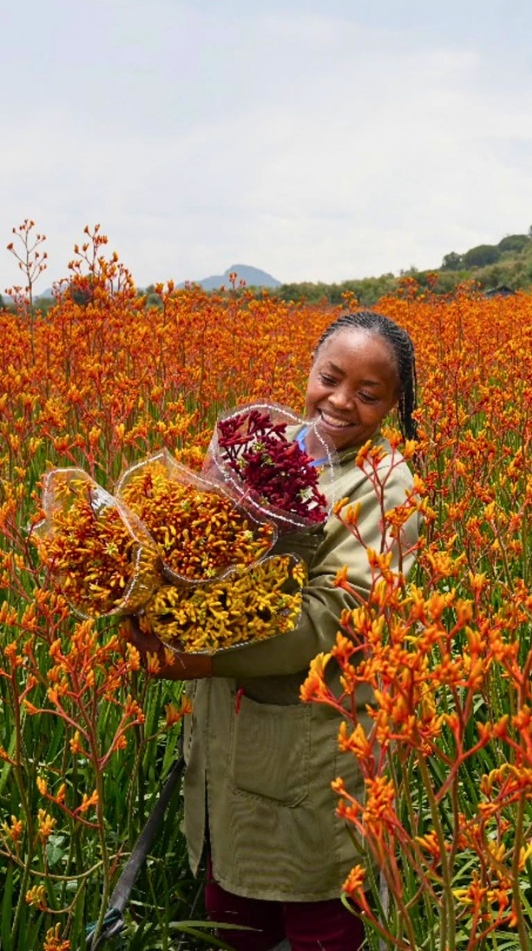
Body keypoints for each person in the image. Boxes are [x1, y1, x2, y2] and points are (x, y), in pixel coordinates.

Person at [129, 311, 421, 951]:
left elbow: (335, 614)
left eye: (369, 395)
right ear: (309, 373)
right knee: (229, 906)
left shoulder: (388, 482)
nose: (342, 402)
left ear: (394, 405)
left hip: (314, 754)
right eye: (330, 378)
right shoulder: (270, 451)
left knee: (318, 914)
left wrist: (205, 656)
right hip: (229, 738)